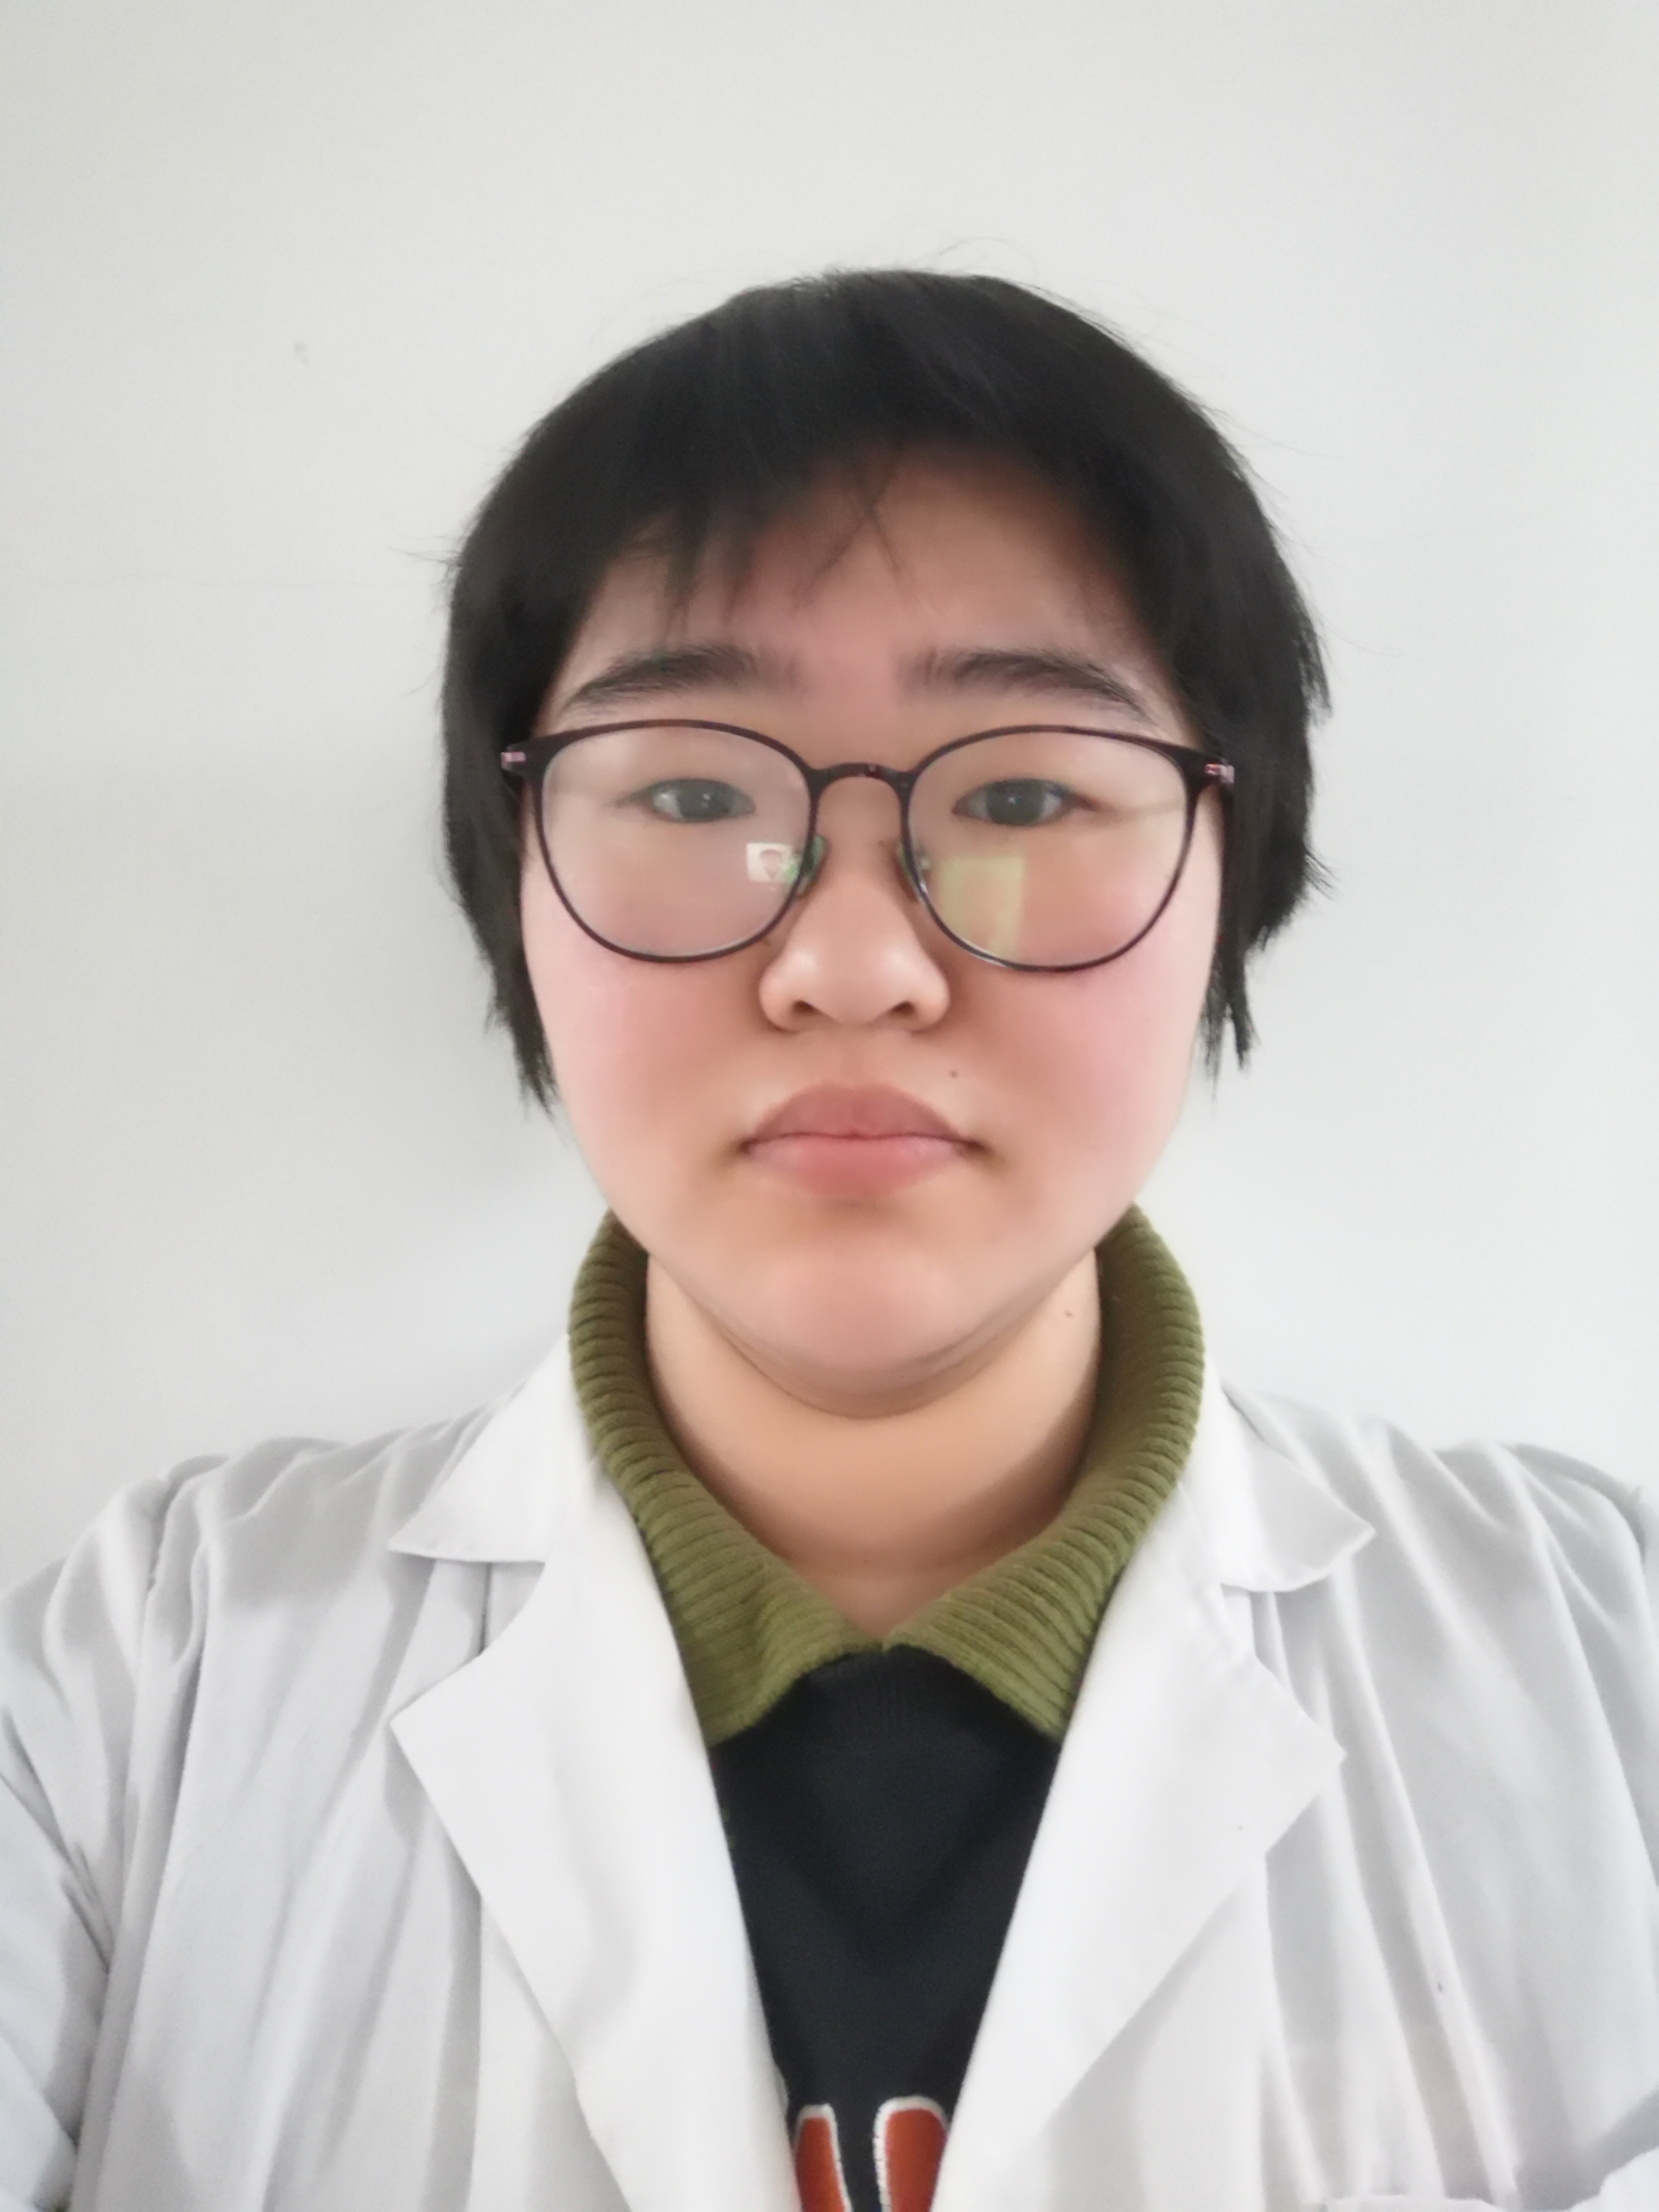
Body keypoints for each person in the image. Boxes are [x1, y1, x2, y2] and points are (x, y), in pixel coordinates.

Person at [2, 271, 1656, 2212]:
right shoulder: (141, 1688)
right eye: (693, 790)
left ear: (1234, 872)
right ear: (511, 875)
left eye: (1024, 790)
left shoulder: (1603, 1665)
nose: (853, 963)